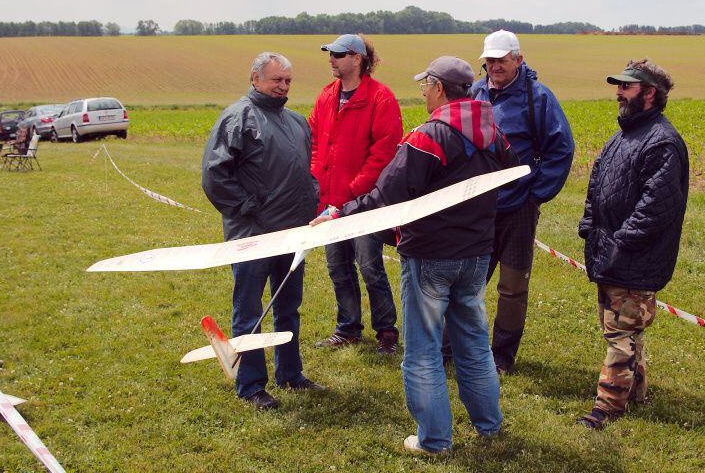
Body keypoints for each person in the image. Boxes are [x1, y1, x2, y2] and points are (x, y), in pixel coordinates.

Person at [311, 57, 519, 453]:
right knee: (474, 343)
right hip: (475, 255)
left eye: (425, 84)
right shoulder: (495, 133)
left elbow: (387, 195)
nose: (422, 91)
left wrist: (340, 213)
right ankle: (488, 426)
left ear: (439, 88)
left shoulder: (430, 136)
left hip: (430, 256)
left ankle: (435, 440)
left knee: (422, 351)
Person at [201, 52, 325, 410]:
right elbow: (215, 176)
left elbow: (304, 169)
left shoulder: (297, 122)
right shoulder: (237, 118)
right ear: (255, 78)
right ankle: (251, 384)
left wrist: (311, 198)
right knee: (250, 310)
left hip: (293, 233)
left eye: (287, 81)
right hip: (252, 236)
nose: (283, 86)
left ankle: (291, 373)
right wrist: (246, 208)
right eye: (276, 80)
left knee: (288, 307)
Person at [577, 59, 689, 429]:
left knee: (620, 334)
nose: (618, 92)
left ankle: (606, 407)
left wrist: (620, 243)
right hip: (609, 251)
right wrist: (589, 226)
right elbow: (597, 186)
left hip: (634, 256)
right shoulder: (622, 136)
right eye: (618, 86)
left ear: (649, 93)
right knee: (625, 328)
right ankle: (635, 392)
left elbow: (657, 208)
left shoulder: (663, 142)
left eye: (626, 86)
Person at [470, 29, 575, 373]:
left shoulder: (539, 98)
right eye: (490, 60)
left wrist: (535, 195)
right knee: (468, 280)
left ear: (519, 59)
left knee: (512, 287)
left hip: (518, 208)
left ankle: (502, 355)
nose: (495, 66)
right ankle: (452, 345)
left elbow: (560, 149)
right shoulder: (476, 91)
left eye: (502, 59)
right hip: (479, 207)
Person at [309, 34, 403, 354]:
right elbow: (316, 143)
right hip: (329, 202)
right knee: (338, 267)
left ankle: (386, 332)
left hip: (364, 204)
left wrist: (351, 192)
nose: (331, 59)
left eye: (338, 54)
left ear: (357, 59)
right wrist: (317, 183)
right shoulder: (326, 96)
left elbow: (383, 154)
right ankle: (347, 327)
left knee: (370, 265)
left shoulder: (381, 99)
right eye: (330, 54)